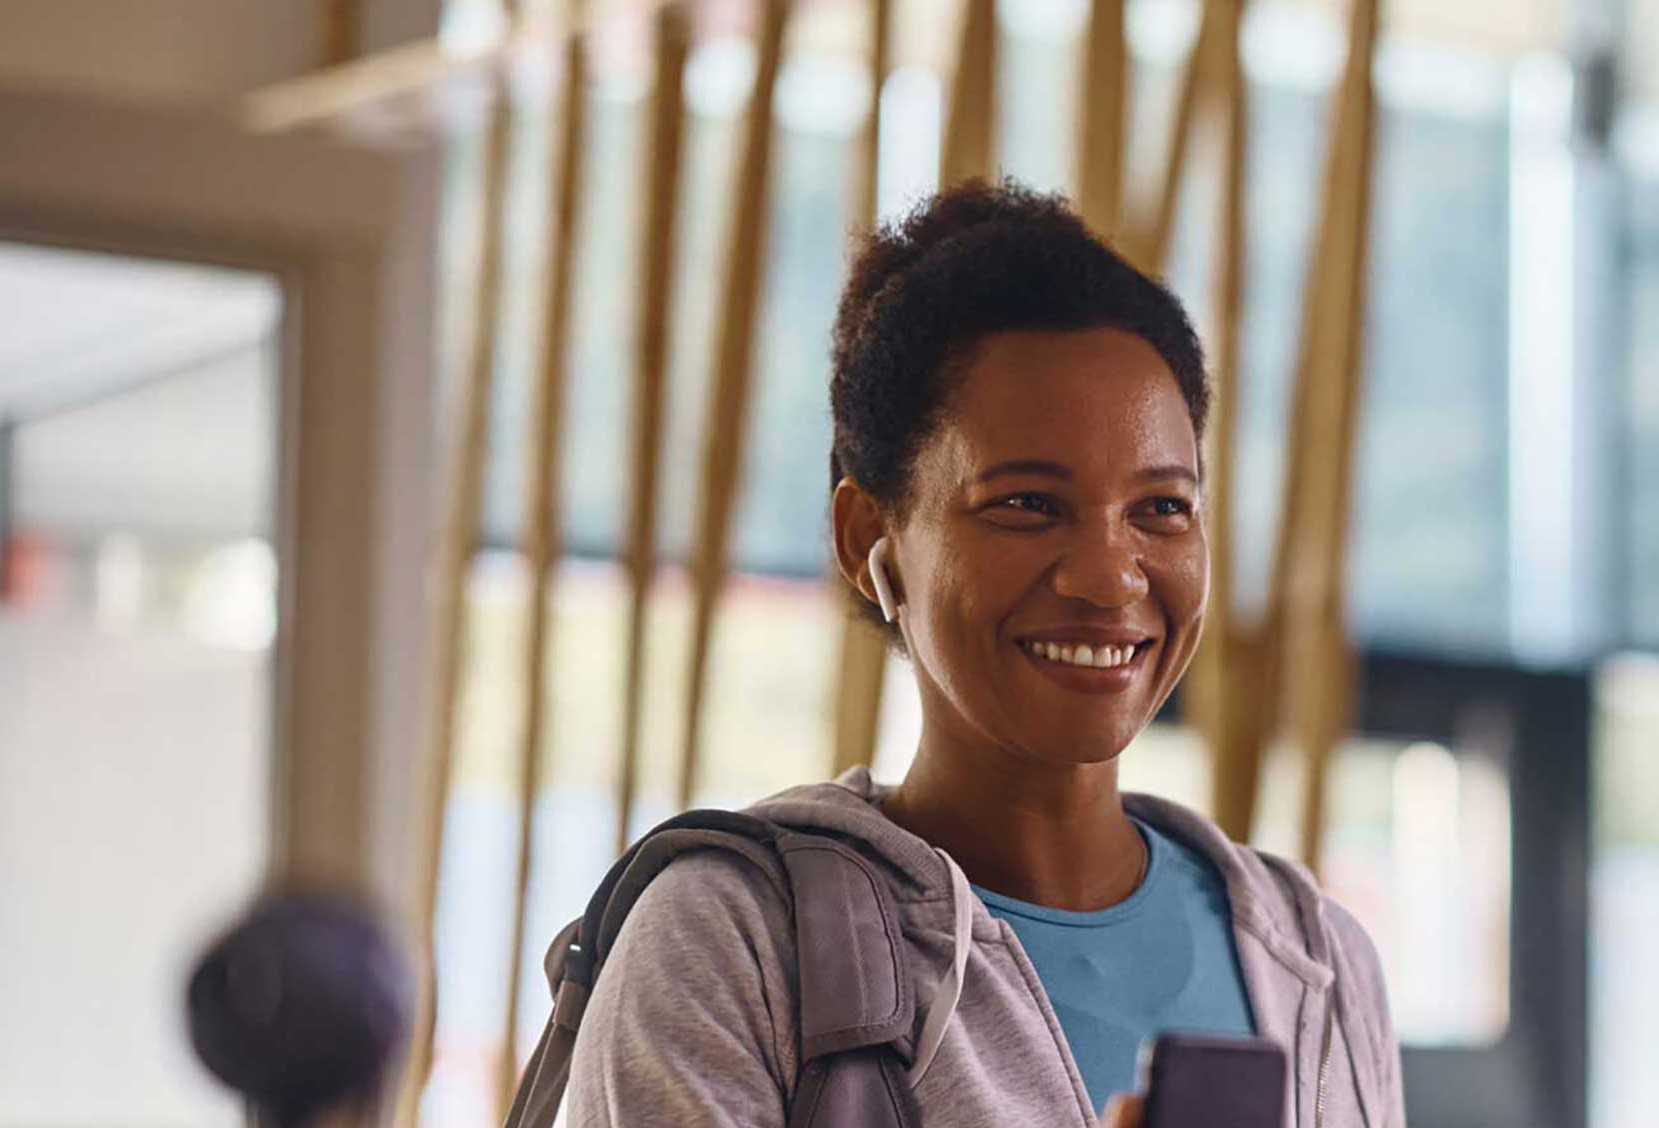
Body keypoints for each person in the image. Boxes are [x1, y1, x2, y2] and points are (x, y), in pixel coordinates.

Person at [564, 182, 1404, 1127]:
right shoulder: (739, 943)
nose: (1108, 577)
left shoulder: (1317, 959)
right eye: (1027, 505)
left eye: (1161, 508)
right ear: (867, 537)